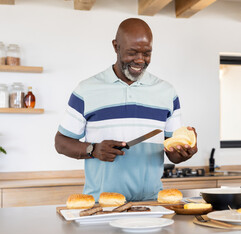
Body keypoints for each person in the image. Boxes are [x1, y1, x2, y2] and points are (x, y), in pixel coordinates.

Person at [54, 18, 197, 202]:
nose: (140, 60)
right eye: (132, 52)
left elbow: (173, 153)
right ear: (116, 46)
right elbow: (61, 142)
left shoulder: (167, 93)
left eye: (147, 53)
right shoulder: (86, 90)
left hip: (152, 205)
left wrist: (185, 151)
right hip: (101, 205)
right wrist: (93, 149)